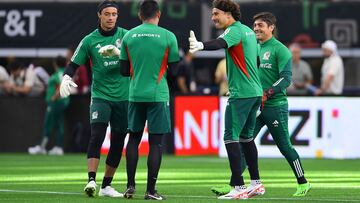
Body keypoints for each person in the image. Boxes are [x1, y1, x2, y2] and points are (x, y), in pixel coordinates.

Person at [213, 12, 312, 197]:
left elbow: (286, 79)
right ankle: (236, 184)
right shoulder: (254, 47)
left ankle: (303, 182)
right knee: (244, 143)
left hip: (275, 106)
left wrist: (268, 92)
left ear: (271, 28)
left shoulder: (280, 49)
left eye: (261, 25)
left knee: (284, 147)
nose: (256, 28)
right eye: (255, 25)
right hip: (256, 103)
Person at [189, 0, 264, 199]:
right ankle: (256, 183)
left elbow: (220, 43)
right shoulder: (248, 31)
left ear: (228, 14)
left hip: (241, 94)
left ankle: (238, 187)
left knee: (230, 137)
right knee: (246, 139)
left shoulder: (235, 30)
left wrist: (201, 45)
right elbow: (254, 60)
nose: (213, 18)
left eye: (216, 14)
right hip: (255, 92)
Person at [59, 0, 129, 198]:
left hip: (124, 97)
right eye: (107, 13)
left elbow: (139, 58)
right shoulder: (90, 40)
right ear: (99, 15)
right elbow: (73, 64)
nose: (110, 17)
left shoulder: (126, 36)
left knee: (118, 141)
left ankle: (106, 186)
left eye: (114, 14)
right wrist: (65, 78)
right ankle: (91, 180)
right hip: (100, 96)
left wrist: (121, 53)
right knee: (97, 135)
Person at [119, 0, 179, 200]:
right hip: (158, 95)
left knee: (133, 139)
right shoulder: (169, 36)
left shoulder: (128, 36)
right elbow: (175, 72)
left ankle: (129, 186)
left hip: (135, 94)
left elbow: (123, 71)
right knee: (155, 144)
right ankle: (151, 191)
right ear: (159, 14)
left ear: (139, 15)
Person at [28, 56, 70, 156]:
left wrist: (54, 97)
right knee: (59, 124)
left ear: (55, 63)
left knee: (48, 124)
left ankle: (42, 147)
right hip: (61, 102)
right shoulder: (64, 72)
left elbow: (61, 84)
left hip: (57, 103)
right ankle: (58, 147)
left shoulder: (59, 73)